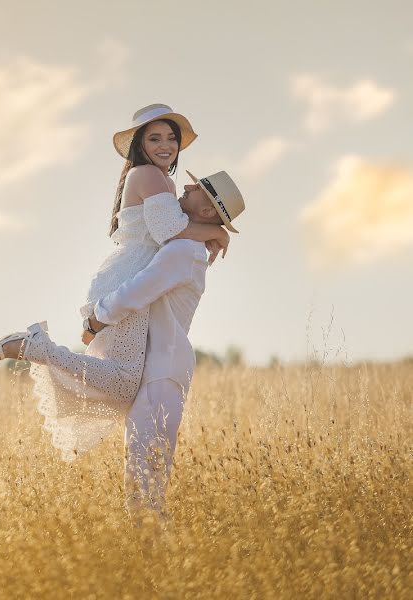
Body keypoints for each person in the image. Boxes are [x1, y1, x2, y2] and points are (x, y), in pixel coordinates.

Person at [0, 104, 229, 460]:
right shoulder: (148, 175)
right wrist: (215, 231)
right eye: (155, 138)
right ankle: (34, 347)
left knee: (125, 381)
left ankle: (37, 349)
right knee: (123, 381)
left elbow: (172, 233)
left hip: (131, 276)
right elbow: (167, 232)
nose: (165, 145)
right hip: (128, 276)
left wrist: (213, 230)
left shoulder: (161, 179)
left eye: (171, 138)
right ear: (140, 144)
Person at [84, 170, 246, 514]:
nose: (186, 186)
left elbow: (139, 290)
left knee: (144, 483)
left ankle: (155, 558)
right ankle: (151, 558)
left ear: (205, 212)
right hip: (159, 369)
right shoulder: (183, 246)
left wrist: (96, 318)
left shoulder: (184, 251)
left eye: (197, 188)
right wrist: (213, 231)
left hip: (162, 373)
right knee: (142, 480)